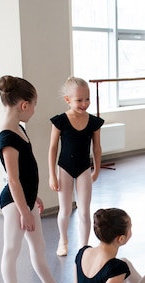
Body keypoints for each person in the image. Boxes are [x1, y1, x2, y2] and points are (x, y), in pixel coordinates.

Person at [0, 75, 70, 283]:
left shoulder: (19, 129)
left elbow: (26, 173)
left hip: (25, 200)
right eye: (34, 105)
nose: (35, 110)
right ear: (24, 105)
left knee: (38, 247)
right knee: (12, 248)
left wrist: (33, 197)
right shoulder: (7, 137)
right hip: (13, 203)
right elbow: (13, 179)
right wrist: (24, 211)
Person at [48, 76, 104, 257]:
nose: (84, 103)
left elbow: (96, 147)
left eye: (87, 99)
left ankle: (84, 247)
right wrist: (52, 175)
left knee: (85, 211)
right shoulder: (60, 121)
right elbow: (53, 148)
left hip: (83, 169)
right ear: (68, 100)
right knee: (64, 210)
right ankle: (63, 239)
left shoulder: (94, 122)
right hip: (64, 168)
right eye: (79, 100)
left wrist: (97, 168)